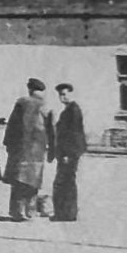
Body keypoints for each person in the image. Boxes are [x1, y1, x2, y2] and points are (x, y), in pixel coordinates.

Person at [3, 78, 55, 221]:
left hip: (20, 149)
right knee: (33, 181)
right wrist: (52, 150)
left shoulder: (21, 103)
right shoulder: (45, 107)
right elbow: (52, 130)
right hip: (37, 150)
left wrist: (8, 144)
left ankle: (17, 212)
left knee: (19, 181)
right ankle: (30, 211)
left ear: (30, 90)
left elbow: (11, 126)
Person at [51, 82, 87, 222]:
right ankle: (65, 213)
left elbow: (73, 134)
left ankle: (66, 214)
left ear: (71, 94)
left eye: (65, 94)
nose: (62, 97)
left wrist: (67, 153)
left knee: (65, 183)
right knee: (65, 182)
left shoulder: (73, 110)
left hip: (69, 154)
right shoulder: (68, 110)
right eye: (60, 95)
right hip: (67, 153)